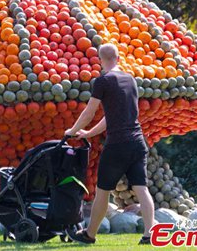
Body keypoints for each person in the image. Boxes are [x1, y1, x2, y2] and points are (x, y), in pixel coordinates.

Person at [64, 43, 155, 245]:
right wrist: (88, 133)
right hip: (138, 143)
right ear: (118, 59)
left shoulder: (103, 81)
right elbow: (112, 116)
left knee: (103, 191)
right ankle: (149, 235)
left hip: (117, 145)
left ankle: (89, 235)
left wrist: (72, 131)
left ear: (99, 60)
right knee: (142, 189)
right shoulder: (130, 79)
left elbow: (89, 112)